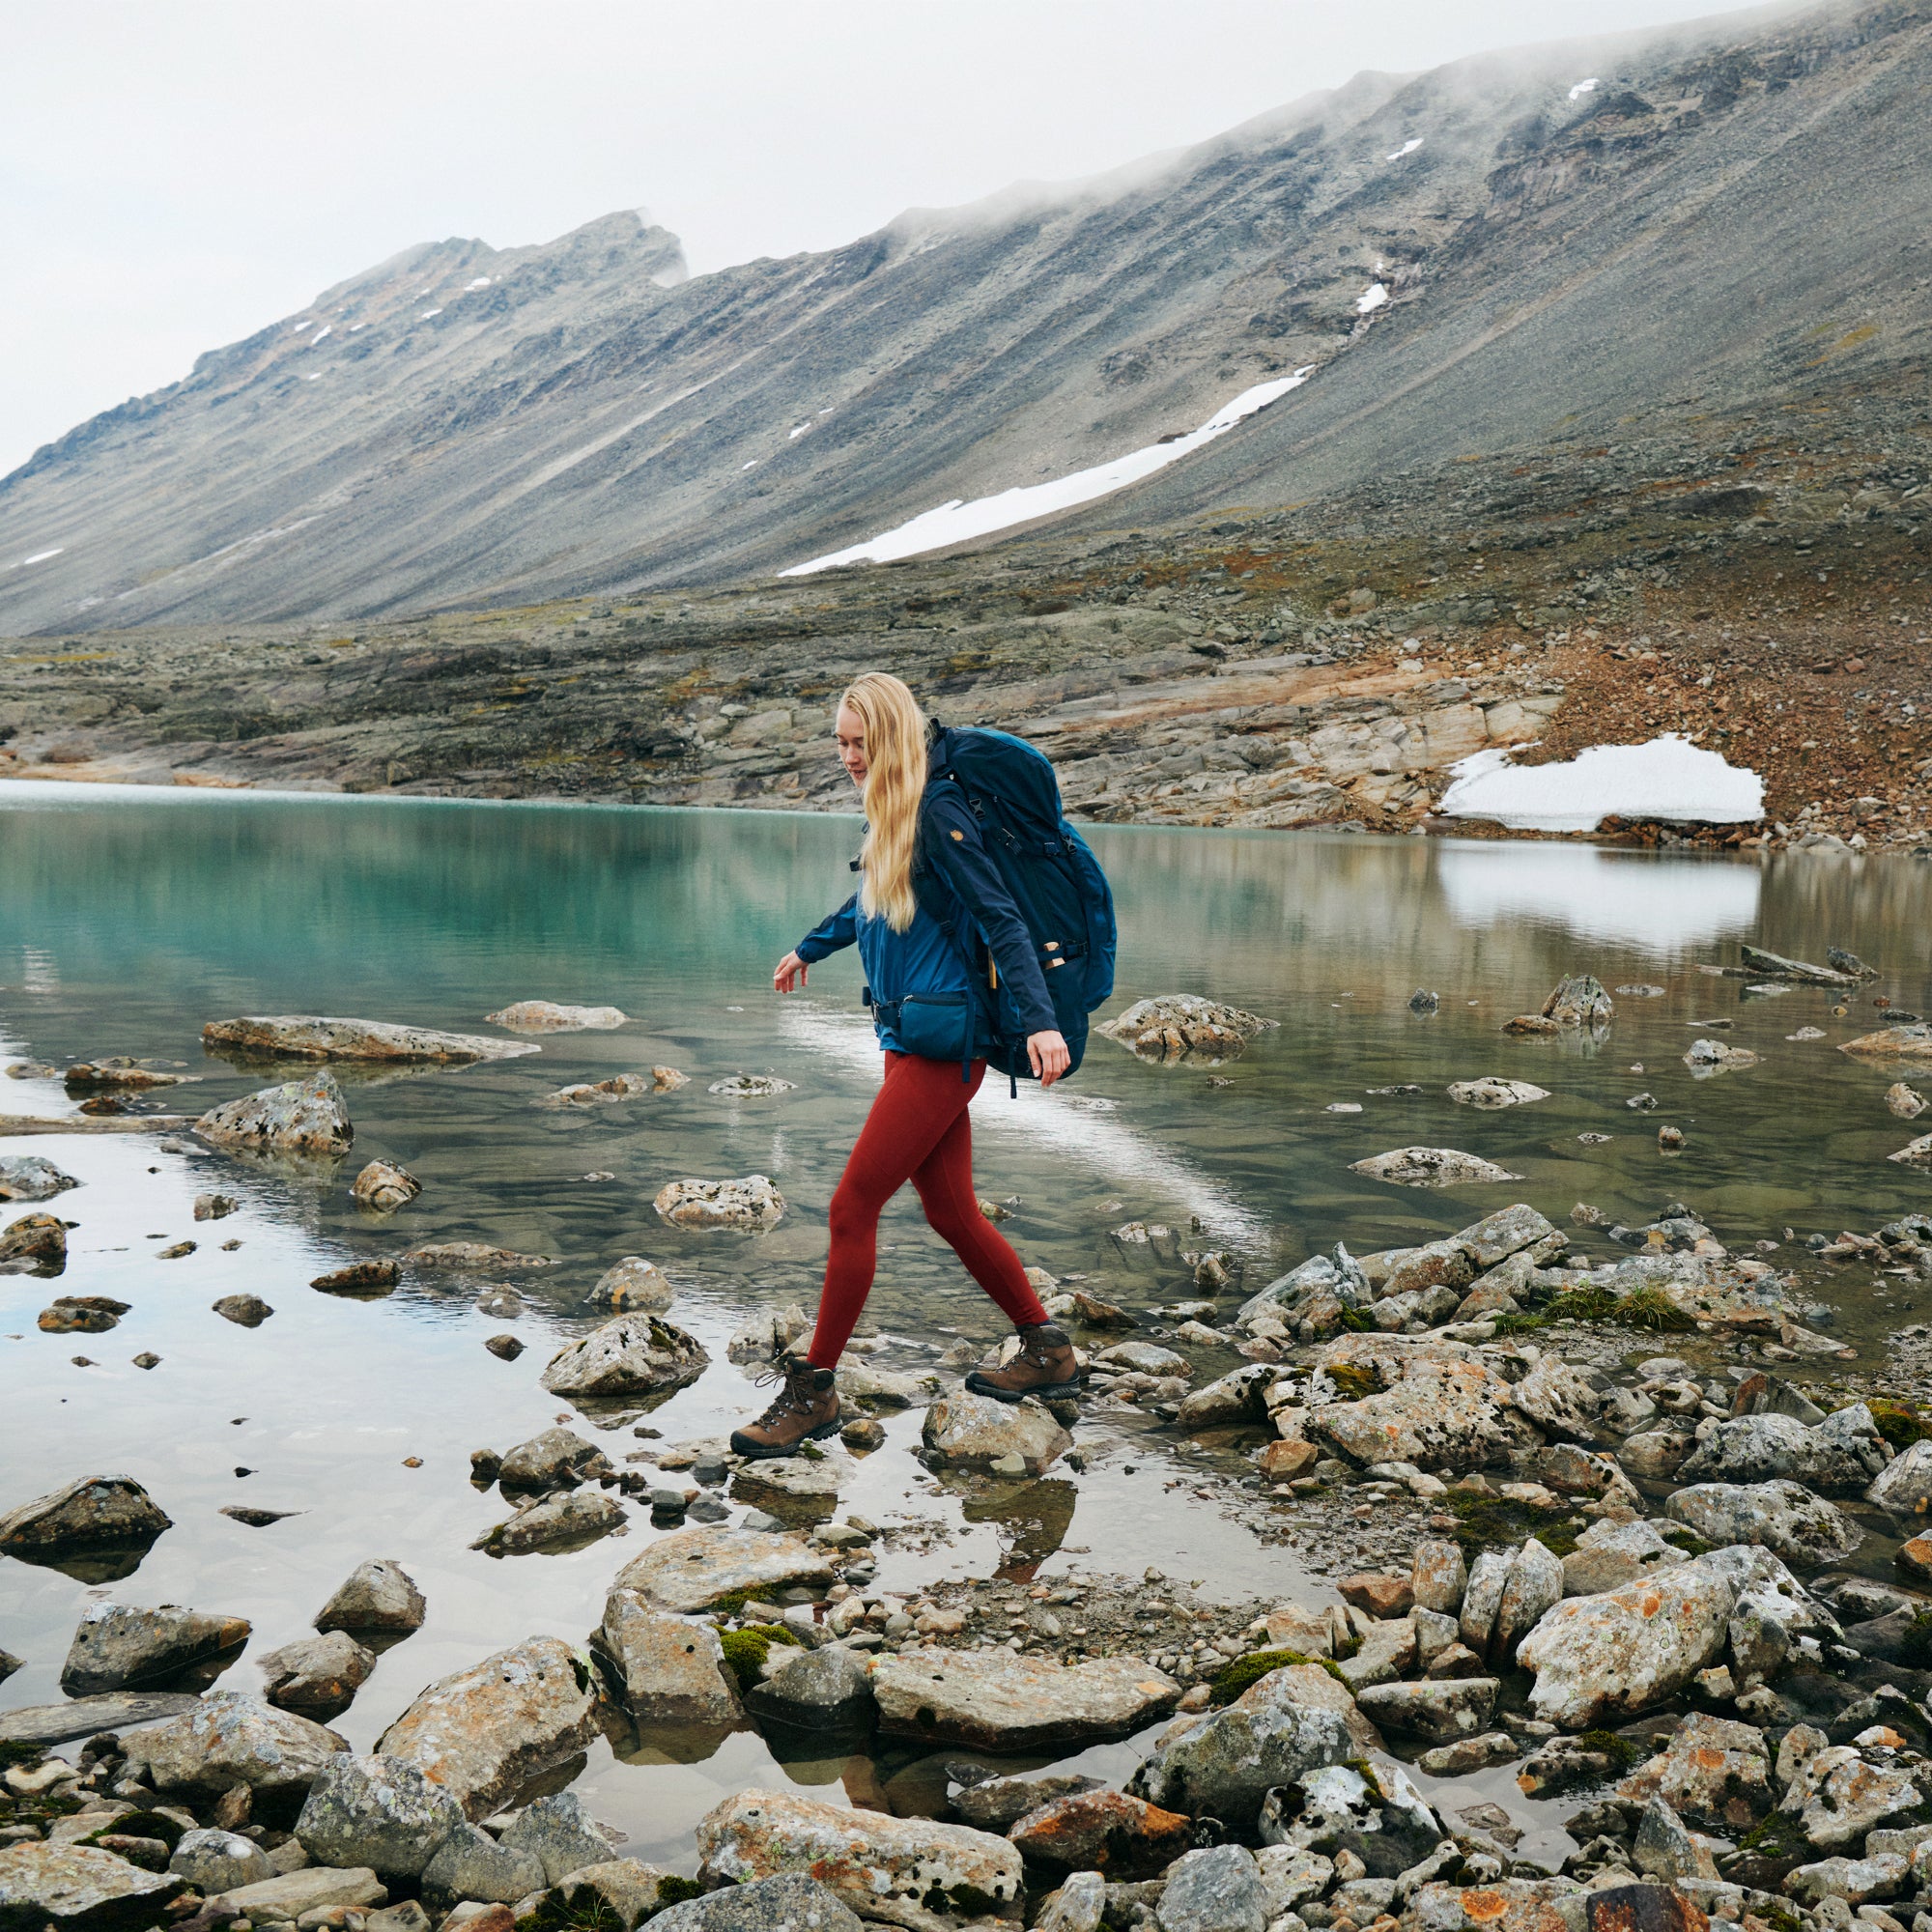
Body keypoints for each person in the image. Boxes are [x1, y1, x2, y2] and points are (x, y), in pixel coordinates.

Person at [729, 671, 1083, 1459]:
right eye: (842, 744)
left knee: (851, 1208)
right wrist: (806, 948)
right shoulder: (891, 813)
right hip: (908, 1041)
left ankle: (814, 1391)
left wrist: (1041, 1023)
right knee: (951, 1213)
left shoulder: (938, 812)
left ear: (892, 736)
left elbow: (1003, 919)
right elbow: (872, 906)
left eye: (861, 742)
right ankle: (1048, 1349)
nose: (850, 757)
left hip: (944, 1050)